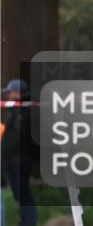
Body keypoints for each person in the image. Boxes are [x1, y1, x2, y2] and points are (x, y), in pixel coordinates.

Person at [1, 79, 37, 226]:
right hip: (14, 160)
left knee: (22, 194)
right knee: (20, 194)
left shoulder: (22, 112)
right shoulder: (16, 110)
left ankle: (28, 222)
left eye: (10, 92)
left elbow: (13, 139)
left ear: (17, 93)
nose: (8, 95)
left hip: (18, 161)